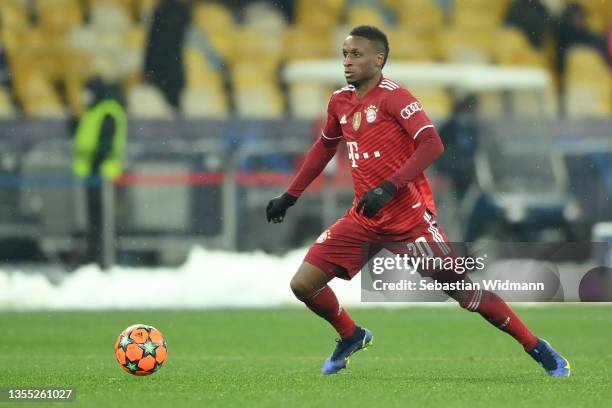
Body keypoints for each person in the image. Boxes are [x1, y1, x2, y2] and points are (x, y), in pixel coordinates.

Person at [266, 26, 570, 377]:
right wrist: (291, 194)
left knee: (465, 293)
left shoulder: (396, 97)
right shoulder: (340, 101)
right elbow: (324, 147)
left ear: (378, 59)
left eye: (356, 54)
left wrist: (390, 187)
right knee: (302, 285)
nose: (347, 62)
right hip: (364, 219)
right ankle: (351, 335)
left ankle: (536, 346)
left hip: (410, 223)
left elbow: (432, 144)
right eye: (345, 54)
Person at [143, 0, 191, 109]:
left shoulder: (180, 9)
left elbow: (159, 41)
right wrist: (148, 69)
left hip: (172, 70)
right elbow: (152, 42)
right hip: (162, 69)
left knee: (173, 106)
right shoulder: (160, 9)